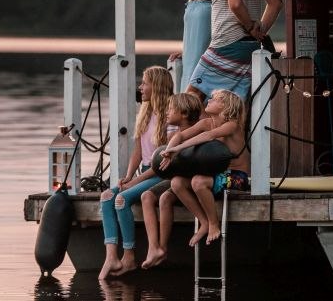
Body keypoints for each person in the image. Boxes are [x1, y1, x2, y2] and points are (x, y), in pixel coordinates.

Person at [98, 66, 173, 280]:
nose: (140, 87)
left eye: (144, 83)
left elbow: (160, 164)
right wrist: (129, 176)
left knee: (121, 200)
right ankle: (111, 256)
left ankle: (129, 256)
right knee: (106, 197)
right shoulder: (146, 113)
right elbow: (138, 152)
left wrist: (134, 183)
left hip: (160, 175)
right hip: (144, 173)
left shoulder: (170, 115)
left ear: (156, 86)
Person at [160, 89, 250, 247]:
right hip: (216, 175)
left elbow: (209, 136)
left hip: (237, 177)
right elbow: (179, 136)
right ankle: (204, 222)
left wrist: (179, 149)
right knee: (177, 183)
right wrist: (169, 151)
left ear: (225, 106)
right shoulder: (206, 123)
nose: (209, 100)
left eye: (214, 100)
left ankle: (213, 223)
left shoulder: (232, 125)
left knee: (198, 182)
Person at [139, 92, 203, 269]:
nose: (166, 112)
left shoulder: (197, 132)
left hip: (188, 180)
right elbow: (162, 165)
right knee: (146, 196)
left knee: (165, 198)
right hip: (176, 178)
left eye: (170, 109)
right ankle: (155, 248)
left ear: (183, 113)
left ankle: (163, 248)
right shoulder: (175, 135)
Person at [168, 0, 215, 92]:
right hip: (189, 62)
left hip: (206, 66)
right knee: (185, 108)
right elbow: (194, 34)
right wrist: (185, 53)